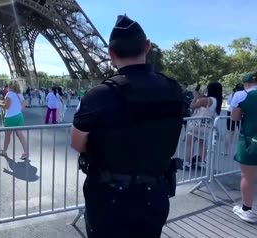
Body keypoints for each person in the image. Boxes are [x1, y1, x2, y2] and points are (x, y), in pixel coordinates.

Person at [70, 15, 184, 238]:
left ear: (111, 53)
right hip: (155, 194)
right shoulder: (174, 89)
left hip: (110, 197)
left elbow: (77, 143)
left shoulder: (99, 95)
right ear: (147, 47)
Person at [230, 73, 257, 223]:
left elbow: (235, 117)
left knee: (247, 175)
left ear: (246, 83)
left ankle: (246, 210)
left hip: (250, 139)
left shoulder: (241, 95)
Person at [184, 82, 223, 169]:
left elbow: (192, 106)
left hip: (196, 124)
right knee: (202, 144)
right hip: (206, 125)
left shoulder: (206, 100)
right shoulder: (217, 100)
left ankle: (187, 162)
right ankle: (201, 162)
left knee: (189, 143)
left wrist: (196, 97)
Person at [0, 80, 28, 160]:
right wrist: (17, 109)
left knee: (7, 136)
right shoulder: (19, 94)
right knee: (20, 134)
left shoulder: (9, 94)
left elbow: (7, 107)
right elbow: (23, 105)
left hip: (10, 117)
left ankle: (4, 151)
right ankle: (26, 151)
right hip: (19, 115)